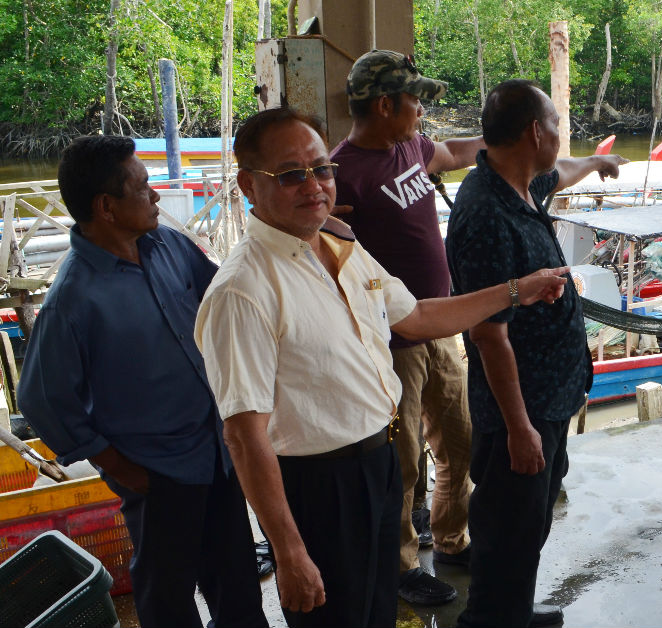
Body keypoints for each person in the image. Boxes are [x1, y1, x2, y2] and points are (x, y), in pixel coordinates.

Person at [194, 106, 570, 628]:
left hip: (380, 459)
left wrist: (515, 291)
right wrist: (288, 552)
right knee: (338, 618)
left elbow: (416, 317)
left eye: (321, 169)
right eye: (291, 175)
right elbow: (243, 434)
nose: (313, 185)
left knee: (376, 610)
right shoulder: (243, 290)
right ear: (249, 186)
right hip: (319, 486)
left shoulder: (338, 245)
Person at [18, 135, 267, 628]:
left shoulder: (166, 245)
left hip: (216, 449)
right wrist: (113, 462)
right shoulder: (73, 298)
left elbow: (222, 298)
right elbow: (41, 398)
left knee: (235, 576)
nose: (156, 198)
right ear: (106, 207)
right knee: (167, 594)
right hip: (156, 469)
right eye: (143, 189)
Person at [445, 80, 627, 628]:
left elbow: (561, 171)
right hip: (518, 412)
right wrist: (518, 427)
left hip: (549, 396)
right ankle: (492, 618)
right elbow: (488, 336)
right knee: (506, 534)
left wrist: (598, 161)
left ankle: (514, 612)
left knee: (529, 527)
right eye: (554, 124)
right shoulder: (485, 215)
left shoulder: (523, 184)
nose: (558, 135)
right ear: (533, 131)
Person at [330, 50, 480, 605]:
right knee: (400, 459)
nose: (421, 110)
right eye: (415, 100)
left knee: (460, 440)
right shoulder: (341, 173)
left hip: (440, 323)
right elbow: (331, 262)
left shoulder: (411, 146)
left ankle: (451, 539)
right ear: (386, 104)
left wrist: (511, 142)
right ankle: (398, 567)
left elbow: (454, 152)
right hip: (391, 340)